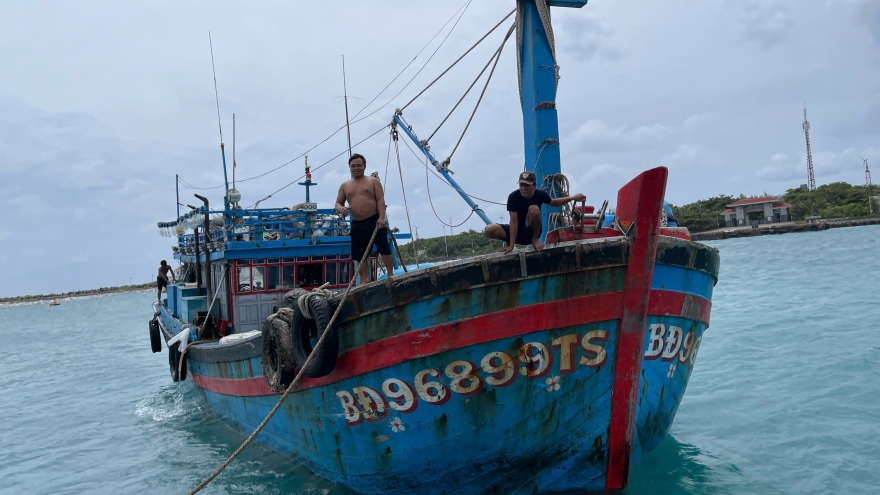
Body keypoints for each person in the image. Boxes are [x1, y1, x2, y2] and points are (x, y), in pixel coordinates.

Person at [484, 171, 586, 253]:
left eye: (527, 185)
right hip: (517, 231)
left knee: (534, 209)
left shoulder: (540, 195)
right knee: (489, 229)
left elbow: (554, 202)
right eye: (521, 185)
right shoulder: (513, 197)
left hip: (530, 231)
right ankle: (508, 241)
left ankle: (534, 240)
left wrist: (573, 197)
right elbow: (514, 222)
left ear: (534, 185)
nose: (523, 188)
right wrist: (511, 245)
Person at [335, 154, 394, 286]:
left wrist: (381, 218)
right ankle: (364, 280)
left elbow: (380, 200)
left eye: (359, 165)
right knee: (359, 253)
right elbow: (338, 203)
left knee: (383, 247)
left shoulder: (373, 181)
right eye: (353, 166)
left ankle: (390, 275)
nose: (356, 168)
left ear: (364, 167)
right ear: (350, 167)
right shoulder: (345, 185)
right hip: (357, 222)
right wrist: (341, 209)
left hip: (375, 220)